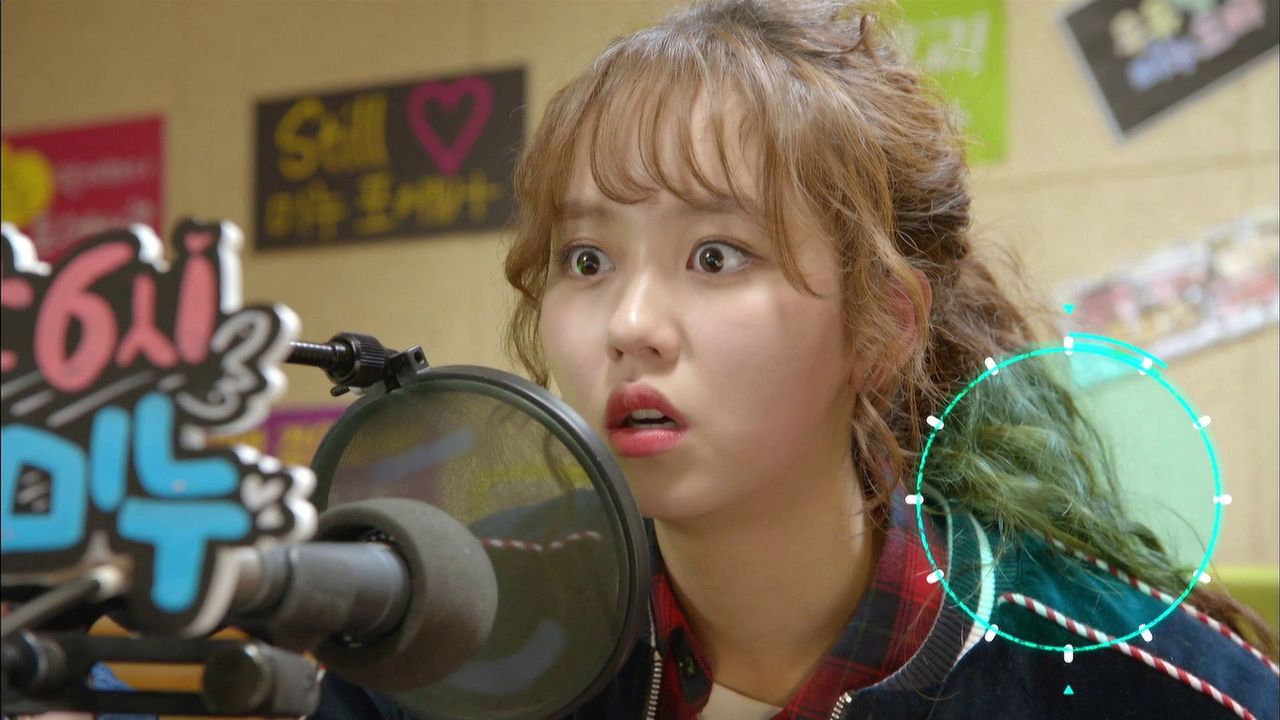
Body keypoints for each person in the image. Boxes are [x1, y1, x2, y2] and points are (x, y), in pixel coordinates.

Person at [317, 1, 1279, 718]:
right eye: (587, 260)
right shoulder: (446, 629)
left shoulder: (1130, 679)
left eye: (716, 256)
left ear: (882, 327)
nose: (630, 323)